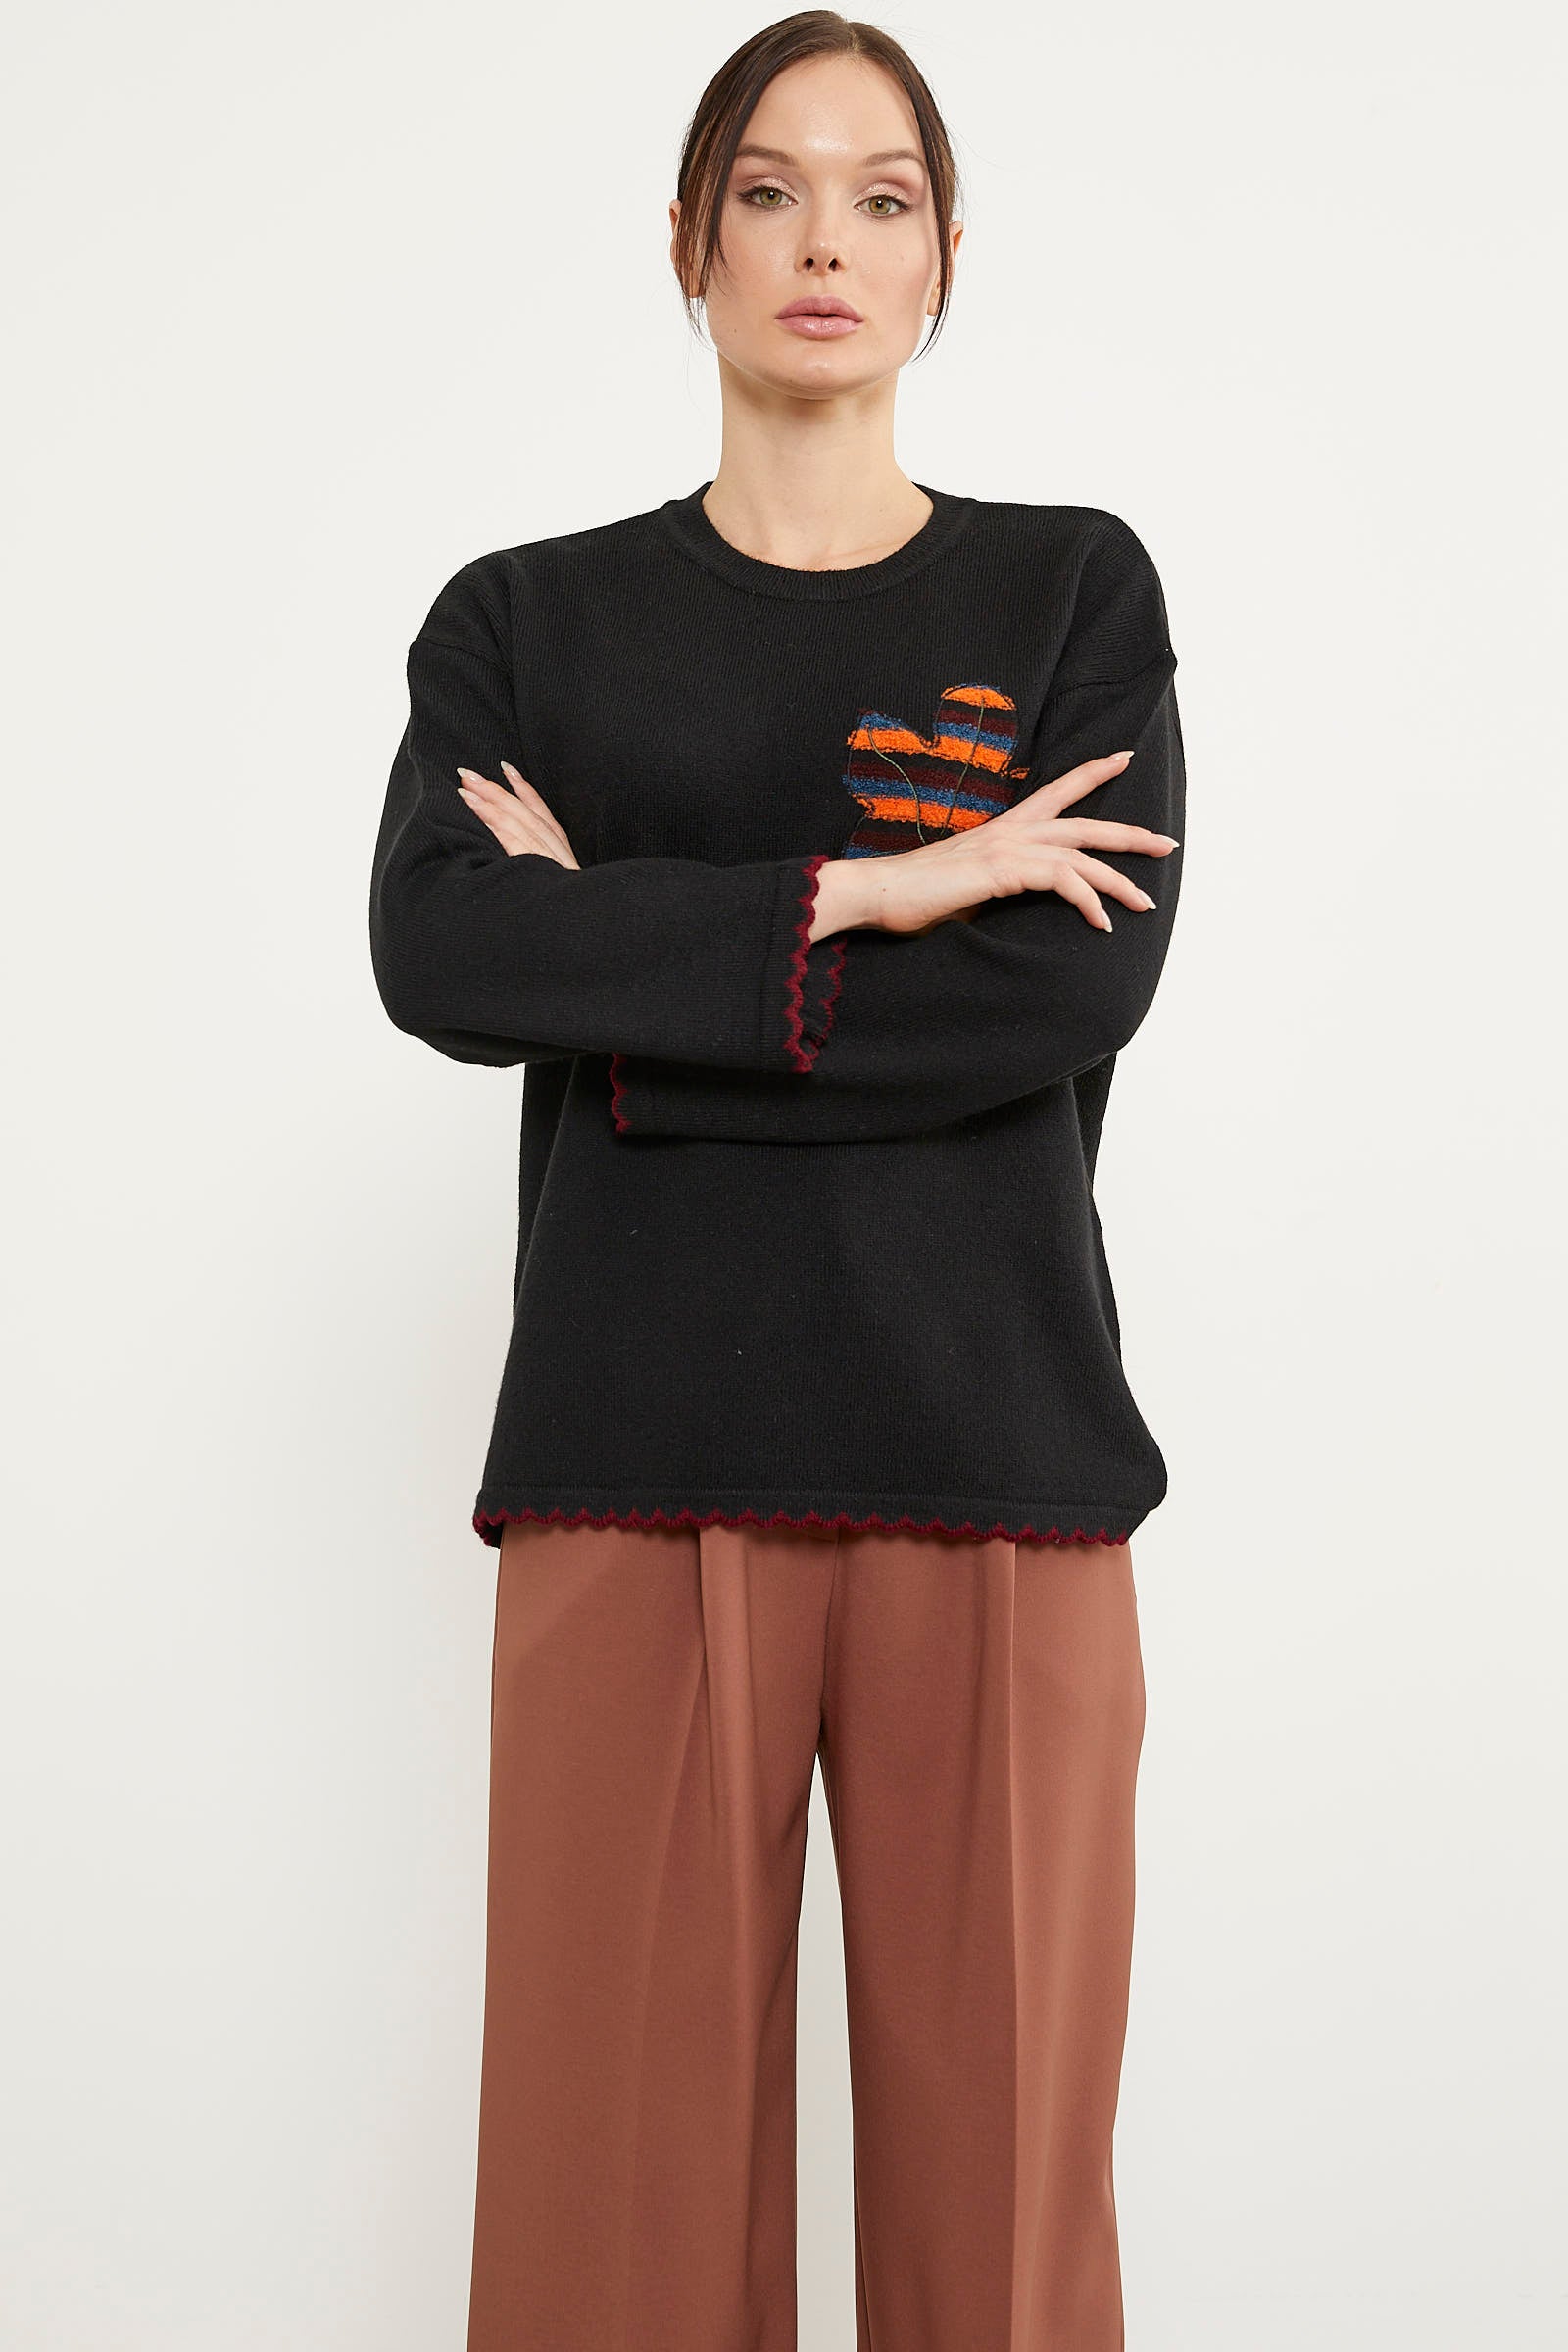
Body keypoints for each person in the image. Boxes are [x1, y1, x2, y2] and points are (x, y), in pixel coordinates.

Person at [369, 13, 1185, 2347]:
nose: (823, 238)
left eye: (880, 194)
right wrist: (874, 894)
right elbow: (443, 953)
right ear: (687, 243)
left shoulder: (1068, 596)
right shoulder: (523, 622)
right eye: (766, 188)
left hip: (997, 1462)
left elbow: (1061, 993)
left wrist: (626, 981)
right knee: (602, 2245)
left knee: (999, 2249)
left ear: (942, 259)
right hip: (629, 1466)